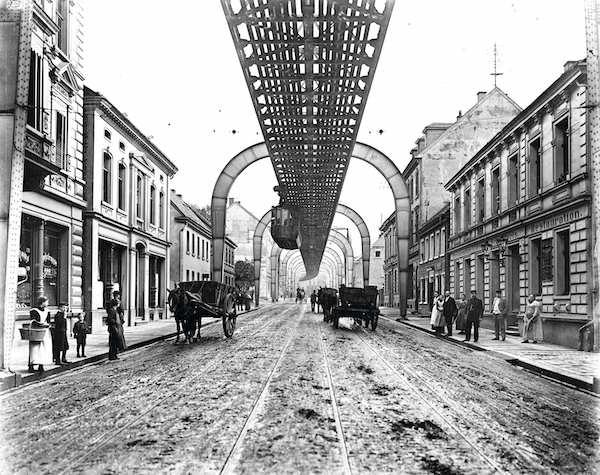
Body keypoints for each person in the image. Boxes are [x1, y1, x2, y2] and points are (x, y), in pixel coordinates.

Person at [28, 296, 53, 372]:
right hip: (36, 331)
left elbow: (48, 321)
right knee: (34, 348)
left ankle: (41, 365)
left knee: (43, 348)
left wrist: (48, 325)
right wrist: (42, 324)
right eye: (46, 302)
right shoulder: (34, 311)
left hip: (45, 332)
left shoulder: (47, 311)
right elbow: (34, 321)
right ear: (42, 302)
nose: (47, 303)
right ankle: (31, 365)